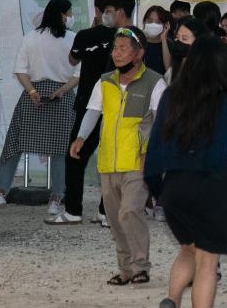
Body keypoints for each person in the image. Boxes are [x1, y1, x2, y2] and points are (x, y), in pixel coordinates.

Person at [146, 36, 227, 308]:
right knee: (208, 261)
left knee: (187, 249)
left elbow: (155, 144)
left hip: (175, 187)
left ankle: (172, 299)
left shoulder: (172, 96)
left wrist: (157, 187)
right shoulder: (224, 101)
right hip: (210, 187)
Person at [70, 26, 167, 285]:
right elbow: (92, 112)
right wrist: (80, 137)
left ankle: (140, 267)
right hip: (108, 162)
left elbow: (160, 122)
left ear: (139, 53)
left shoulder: (155, 81)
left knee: (129, 212)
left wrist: (152, 153)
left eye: (124, 48)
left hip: (138, 160)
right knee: (114, 219)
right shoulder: (105, 81)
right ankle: (125, 270)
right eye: (115, 48)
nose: (117, 53)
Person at [0, 0, 79, 219]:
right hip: (62, 96)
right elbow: (78, 74)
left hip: (33, 94)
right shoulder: (73, 39)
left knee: (15, 141)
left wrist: (32, 91)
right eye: (69, 12)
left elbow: (20, 70)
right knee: (61, 148)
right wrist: (62, 90)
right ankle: (56, 198)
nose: (71, 17)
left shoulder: (31, 37)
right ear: (62, 14)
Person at [62, 0, 132, 226]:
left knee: (76, 154)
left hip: (93, 101)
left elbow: (73, 59)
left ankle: (73, 209)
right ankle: (105, 211)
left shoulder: (87, 36)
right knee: (111, 157)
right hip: (113, 105)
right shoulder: (129, 37)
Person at [141, 5, 172, 74]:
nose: (153, 24)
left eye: (158, 22)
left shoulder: (169, 45)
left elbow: (168, 69)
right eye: (150, 21)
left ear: (165, 25)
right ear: (144, 22)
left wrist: (164, 39)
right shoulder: (138, 43)